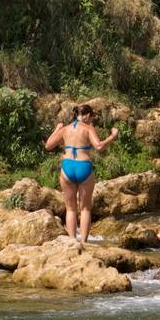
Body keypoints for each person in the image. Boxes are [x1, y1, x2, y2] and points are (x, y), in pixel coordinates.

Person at [44, 104, 119, 244]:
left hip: (67, 167)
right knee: (85, 209)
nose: (91, 122)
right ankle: (84, 243)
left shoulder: (65, 129)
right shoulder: (88, 128)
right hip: (83, 166)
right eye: (91, 118)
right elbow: (99, 146)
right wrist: (112, 136)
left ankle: (72, 242)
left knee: (70, 209)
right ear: (87, 116)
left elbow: (48, 145)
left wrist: (56, 129)